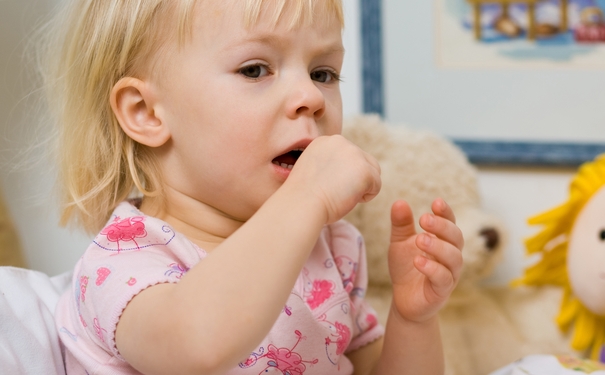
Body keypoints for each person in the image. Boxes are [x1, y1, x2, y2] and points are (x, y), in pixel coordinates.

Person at [42, 0, 464, 374]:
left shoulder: (333, 248)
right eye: (255, 69)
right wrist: (308, 196)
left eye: (323, 73)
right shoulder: (122, 259)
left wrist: (413, 321)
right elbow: (194, 349)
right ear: (147, 112)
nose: (311, 97)